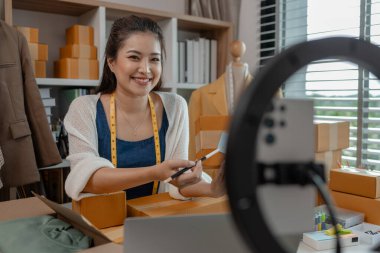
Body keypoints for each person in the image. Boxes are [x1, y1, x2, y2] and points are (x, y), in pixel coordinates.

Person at [64, 15, 225, 201]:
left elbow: (176, 184)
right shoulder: (84, 109)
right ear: (111, 62)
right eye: (134, 57)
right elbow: (87, 180)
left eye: (154, 59)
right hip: (102, 222)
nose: (146, 69)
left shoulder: (176, 106)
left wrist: (213, 188)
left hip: (152, 217)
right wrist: (154, 173)